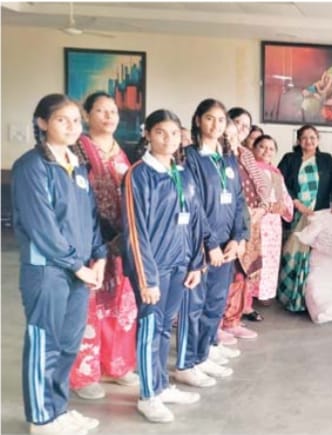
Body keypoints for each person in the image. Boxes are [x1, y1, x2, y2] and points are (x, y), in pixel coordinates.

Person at [13, 93, 105, 434]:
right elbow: (42, 226)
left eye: (75, 120)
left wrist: (99, 256)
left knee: (68, 343)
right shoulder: (32, 166)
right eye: (61, 120)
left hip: (79, 270)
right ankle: (41, 418)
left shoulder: (76, 165)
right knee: (45, 342)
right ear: (42, 123)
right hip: (47, 271)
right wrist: (76, 265)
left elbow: (90, 217)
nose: (70, 127)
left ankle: (58, 409)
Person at [122, 109, 204, 423]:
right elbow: (135, 231)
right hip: (153, 269)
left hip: (180, 265)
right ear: (148, 134)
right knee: (150, 328)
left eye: (174, 133)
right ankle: (148, 396)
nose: (168, 139)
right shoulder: (139, 175)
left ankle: (161, 385)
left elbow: (194, 220)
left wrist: (196, 263)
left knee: (164, 327)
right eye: (160, 132)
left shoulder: (181, 173)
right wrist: (146, 279)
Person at [69, 92, 138, 401]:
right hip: (90, 241)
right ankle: (84, 374)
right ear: (87, 115)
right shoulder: (78, 149)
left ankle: (116, 365)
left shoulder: (123, 151)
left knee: (120, 304)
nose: (109, 116)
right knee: (89, 307)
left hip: (120, 243)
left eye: (113, 111)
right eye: (101, 111)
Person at [174, 99, 248, 387]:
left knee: (215, 302)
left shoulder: (227, 159)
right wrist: (210, 243)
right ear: (197, 120)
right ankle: (186, 362)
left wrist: (238, 238)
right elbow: (193, 205)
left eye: (220, 120)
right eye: (209, 118)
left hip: (226, 247)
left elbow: (238, 200)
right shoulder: (190, 157)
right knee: (193, 305)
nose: (215, 125)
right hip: (200, 247)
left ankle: (203, 353)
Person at [226, 135, 294, 328]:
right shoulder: (249, 169)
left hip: (273, 225)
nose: (266, 151)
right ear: (253, 149)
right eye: (262, 147)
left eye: (271, 148)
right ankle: (243, 305)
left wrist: (281, 208)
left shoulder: (276, 173)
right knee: (249, 262)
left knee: (267, 263)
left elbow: (285, 201)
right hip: (256, 221)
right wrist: (265, 208)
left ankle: (254, 299)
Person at [277, 125, 332, 312]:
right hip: (295, 214)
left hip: (317, 216)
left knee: (312, 258)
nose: (309, 141)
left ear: (318, 139)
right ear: (299, 141)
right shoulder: (290, 159)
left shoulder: (326, 159)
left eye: (312, 137)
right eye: (305, 138)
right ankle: (288, 296)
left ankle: (309, 300)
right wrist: (297, 203)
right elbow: (278, 181)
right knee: (291, 253)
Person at [218, 120, 267, 340]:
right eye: (226, 135)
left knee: (240, 274)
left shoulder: (245, 155)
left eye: (234, 135)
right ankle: (215, 325)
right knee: (222, 276)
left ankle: (232, 321)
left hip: (248, 222)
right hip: (223, 225)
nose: (230, 139)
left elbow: (261, 186)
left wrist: (262, 207)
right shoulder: (215, 158)